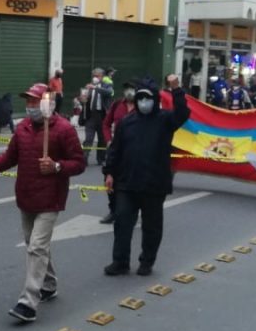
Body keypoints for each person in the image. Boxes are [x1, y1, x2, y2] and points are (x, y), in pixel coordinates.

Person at [0, 83, 84, 323]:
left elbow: (79, 163)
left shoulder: (63, 130)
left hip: (51, 198)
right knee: (35, 244)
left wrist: (58, 166)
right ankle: (49, 283)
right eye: (27, 102)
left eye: (34, 101)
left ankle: (28, 301)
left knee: (37, 247)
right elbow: (8, 158)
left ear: (47, 103)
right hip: (26, 196)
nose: (30, 107)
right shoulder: (22, 129)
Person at [102, 76, 189, 276]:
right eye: (140, 98)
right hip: (127, 183)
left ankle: (146, 261)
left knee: (152, 227)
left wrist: (176, 89)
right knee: (122, 223)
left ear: (155, 99)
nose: (143, 102)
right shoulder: (127, 122)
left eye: (147, 98)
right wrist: (109, 173)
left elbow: (183, 113)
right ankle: (120, 261)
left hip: (154, 184)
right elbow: (116, 150)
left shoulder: (165, 120)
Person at [99, 80, 137, 225]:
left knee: (132, 181)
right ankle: (113, 210)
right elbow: (106, 124)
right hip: (116, 150)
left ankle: (132, 211)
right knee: (109, 179)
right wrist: (108, 140)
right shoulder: (117, 105)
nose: (129, 92)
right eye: (127, 89)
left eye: (132, 89)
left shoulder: (142, 107)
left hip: (134, 151)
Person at [81, 67, 113, 165]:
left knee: (102, 139)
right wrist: (82, 99)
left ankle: (101, 159)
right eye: (94, 76)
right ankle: (84, 158)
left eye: (97, 76)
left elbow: (109, 92)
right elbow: (84, 99)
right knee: (88, 138)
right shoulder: (89, 86)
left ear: (102, 76)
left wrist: (96, 88)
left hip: (102, 116)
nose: (95, 78)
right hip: (91, 115)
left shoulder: (106, 85)